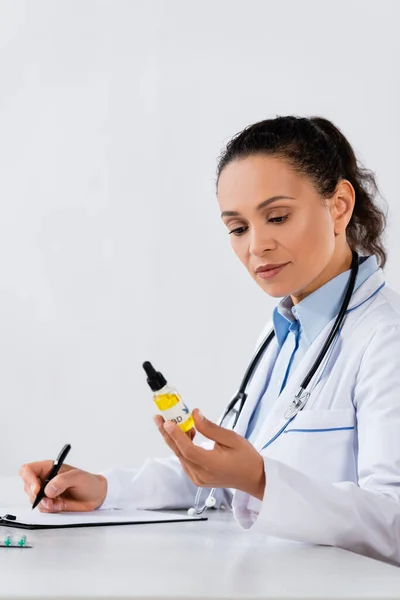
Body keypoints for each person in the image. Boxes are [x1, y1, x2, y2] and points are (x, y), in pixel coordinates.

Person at [19, 116, 400, 564]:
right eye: (238, 228)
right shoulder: (283, 331)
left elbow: (392, 523)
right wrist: (106, 489)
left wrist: (261, 480)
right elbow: (222, 478)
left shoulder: (384, 338)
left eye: (277, 217)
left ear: (338, 205)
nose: (256, 246)